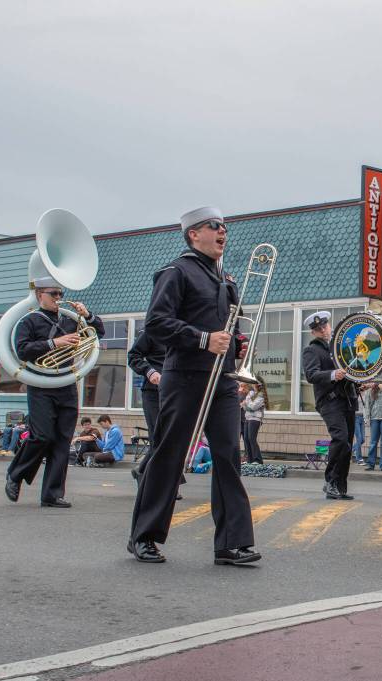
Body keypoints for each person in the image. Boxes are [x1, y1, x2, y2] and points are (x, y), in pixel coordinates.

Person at [127, 206, 259, 566]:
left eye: (225, 227)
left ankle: (231, 543)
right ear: (193, 234)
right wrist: (203, 340)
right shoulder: (176, 271)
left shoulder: (224, 278)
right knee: (170, 453)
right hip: (185, 375)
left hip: (222, 379)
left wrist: (237, 346)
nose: (223, 232)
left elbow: (228, 327)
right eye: (214, 227)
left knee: (229, 454)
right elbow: (156, 323)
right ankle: (145, 536)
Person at [4, 277, 105, 508]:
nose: (59, 298)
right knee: (42, 436)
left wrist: (88, 315)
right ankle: (15, 474)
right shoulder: (29, 321)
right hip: (40, 384)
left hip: (66, 384)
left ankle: (52, 494)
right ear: (40, 295)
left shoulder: (70, 320)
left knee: (62, 441)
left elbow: (99, 332)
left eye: (60, 293)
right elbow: (22, 350)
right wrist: (54, 344)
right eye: (54, 294)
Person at [302, 310, 359, 500]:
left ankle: (340, 485)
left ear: (329, 325)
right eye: (318, 329)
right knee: (340, 438)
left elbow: (349, 372)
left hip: (348, 399)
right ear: (313, 333)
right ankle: (330, 481)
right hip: (329, 401)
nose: (323, 330)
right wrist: (333, 374)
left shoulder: (339, 348)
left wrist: (360, 383)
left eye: (325, 326)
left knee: (347, 444)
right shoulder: (312, 350)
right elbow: (311, 375)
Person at [127, 327, 165, 481]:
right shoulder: (151, 331)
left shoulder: (184, 331)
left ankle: (142, 471)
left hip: (177, 391)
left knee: (171, 438)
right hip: (153, 392)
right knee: (159, 437)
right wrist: (150, 371)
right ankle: (163, 483)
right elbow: (133, 356)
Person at [241, 378, 267, 464]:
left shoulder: (261, 395)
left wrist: (247, 403)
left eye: (255, 384)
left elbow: (252, 407)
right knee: (246, 438)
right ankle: (250, 459)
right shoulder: (251, 393)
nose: (253, 385)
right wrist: (247, 404)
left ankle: (258, 459)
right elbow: (244, 407)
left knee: (252, 438)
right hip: (248, 417)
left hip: (255, 419)